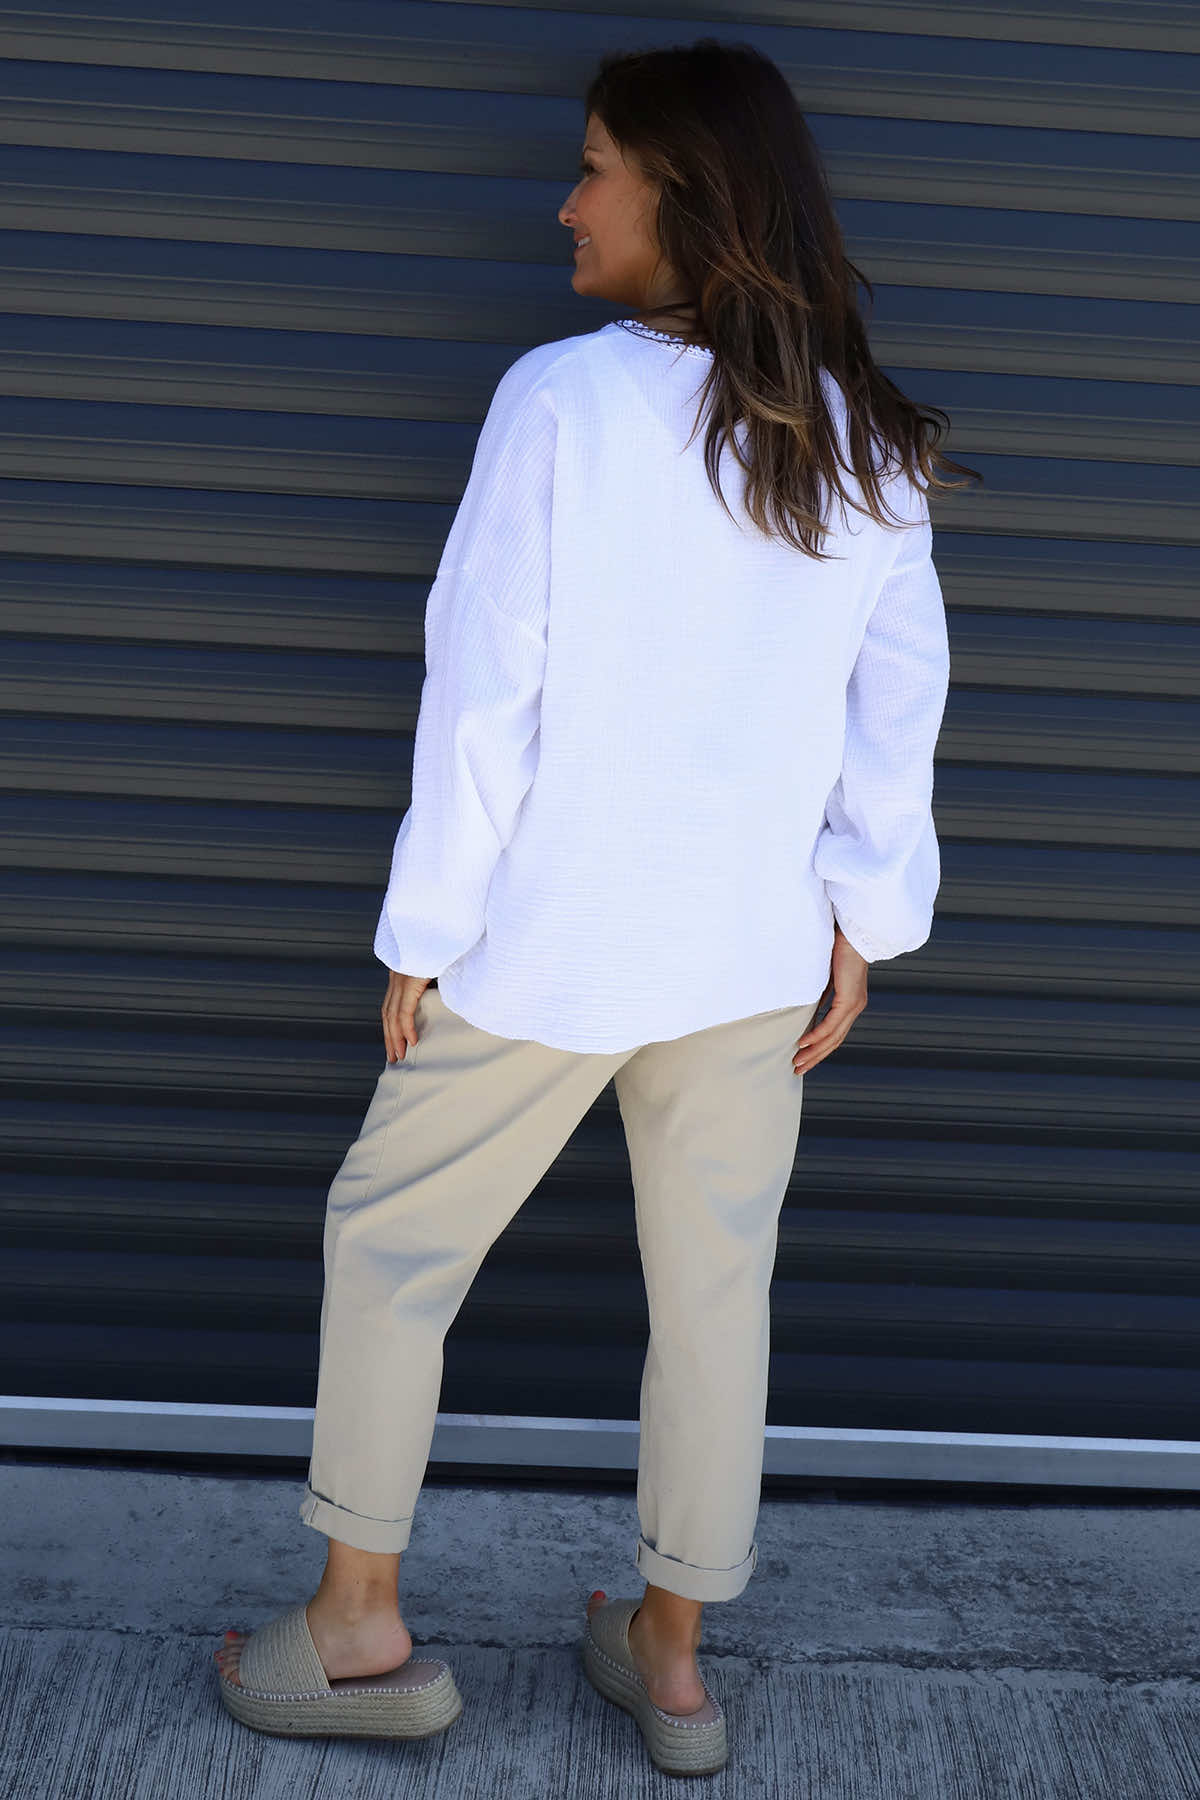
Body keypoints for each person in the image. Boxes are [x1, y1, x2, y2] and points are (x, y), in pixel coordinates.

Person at [213, 36, 978, 1777]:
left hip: (548, 947)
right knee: (716, 1297)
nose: (566, 206)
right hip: (749, 959)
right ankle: (673, 1659)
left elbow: (487, 690)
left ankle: (354, 1633)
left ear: (681, 195)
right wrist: (865, 921)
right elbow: (899, 707)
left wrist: (424, 930)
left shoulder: (562, 401)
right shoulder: (862, 439)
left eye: (593, 170)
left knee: (391, 1245)